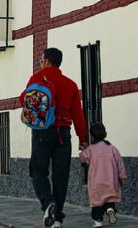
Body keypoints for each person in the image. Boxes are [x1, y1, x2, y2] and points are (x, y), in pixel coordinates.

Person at [19, 48, 88, 228]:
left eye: (41, 61)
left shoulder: (36, 79)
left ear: (47, 61)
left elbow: (22, 100)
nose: (40, 64)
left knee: (38, 171)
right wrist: (83, 138)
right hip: (63, 134)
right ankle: (57, 219)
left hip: (42, 133)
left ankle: (47, 202)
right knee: (61, 177)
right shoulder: (70, 84)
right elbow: (78, 115)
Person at [79, 123, 126, 228]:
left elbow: (83, 158)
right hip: (111, 180)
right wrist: (122, 177)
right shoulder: (112, 149)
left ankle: (98, 221)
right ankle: (110, 209)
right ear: (105, 133)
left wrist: (83, 150)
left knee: (97, 202)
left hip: (96, 182)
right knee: (109, 199)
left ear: (92, 135)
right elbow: (120, 164)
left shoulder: (91, 149)